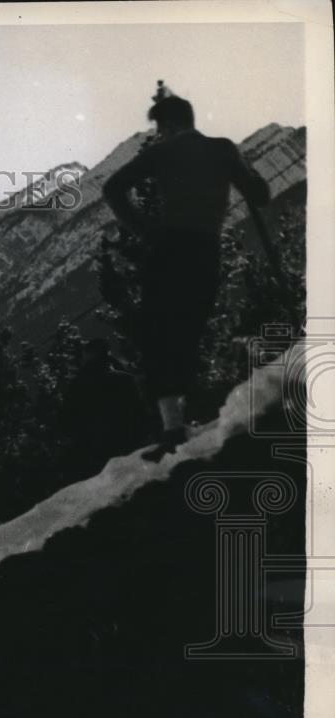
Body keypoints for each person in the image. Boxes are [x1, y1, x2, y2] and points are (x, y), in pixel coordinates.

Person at [101, 82, 270, 461]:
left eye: (160, 128)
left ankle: (173, 428)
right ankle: (193, 420)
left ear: (168, 127)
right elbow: (260, 196)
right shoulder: (222, 148)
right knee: (191, 329)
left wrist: (144, 229)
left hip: (168, 250)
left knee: (158, 334)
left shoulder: (162, 152)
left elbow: (113, 188)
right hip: (206, 250)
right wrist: (245, 167)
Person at [63, 338, 150, 478]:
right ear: (107, 354)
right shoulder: (124, 379)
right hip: (129, 441)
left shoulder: (76, 386)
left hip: (97, 449)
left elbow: (70, 419)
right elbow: (140, 411)